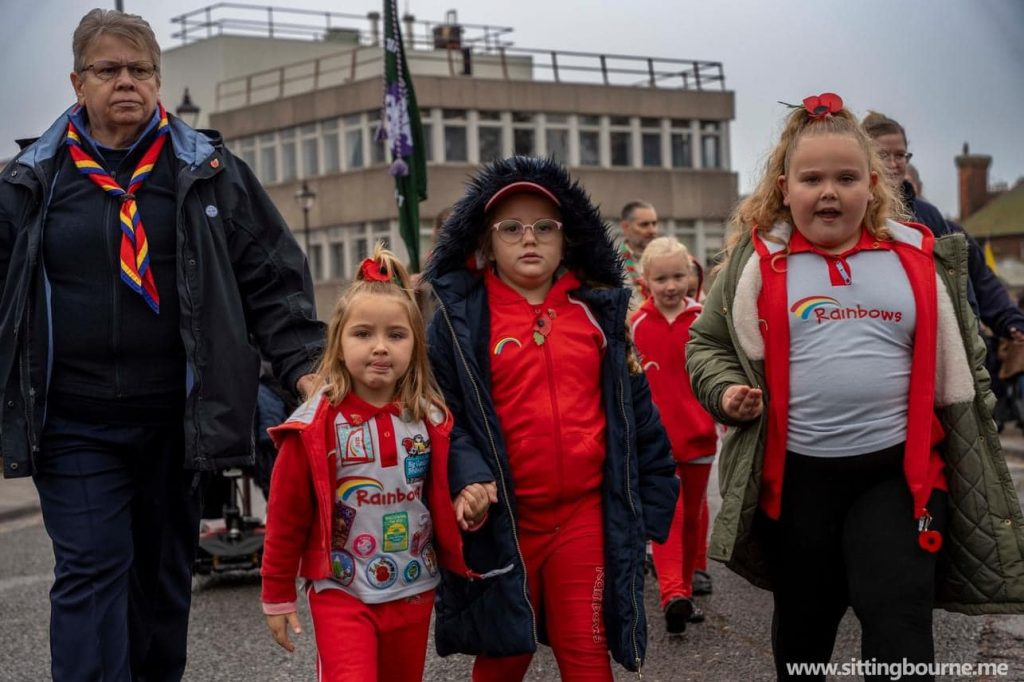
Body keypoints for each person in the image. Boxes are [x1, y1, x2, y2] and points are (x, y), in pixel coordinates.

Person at [0, 9, 324, 681]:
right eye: (108, 69)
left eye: (140, 70)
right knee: (92, 569)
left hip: (178, 422)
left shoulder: (207, 170)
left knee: (160, 578)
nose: (126, 82)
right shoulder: (30, 183)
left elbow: (270, 274)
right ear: (76, 81)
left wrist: (305, 369)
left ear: (158, 78)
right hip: (72, 422)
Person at [687, 93, 1024, 680]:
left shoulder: (918, 256)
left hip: (899, 476)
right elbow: (706, 345)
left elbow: (963, 362)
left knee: (898, 618)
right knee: (805, 629)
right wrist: (726, 391)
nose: (828, 192)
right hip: (795, 480)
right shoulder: (757, 260)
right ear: (784, 186)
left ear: (872, 184)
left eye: (845, 178)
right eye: (811, 178)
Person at [425, 156, 678, 679]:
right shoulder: (460, 322)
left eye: (545, 226)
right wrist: (467, 477)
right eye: (511, 228)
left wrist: (654, 498)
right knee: (506, 654)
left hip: (581, 518)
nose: (529, 238)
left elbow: (638, 416)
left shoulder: (597, 314)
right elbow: (443, 416)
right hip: (505, 522)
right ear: (486, 241)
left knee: (586, 653)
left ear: (568, 238)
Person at [260, 245, 486, 681]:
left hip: (414, 587)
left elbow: (441, 494)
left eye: (396, 336)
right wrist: (277, 593)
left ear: (415, 346)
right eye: (363, 334)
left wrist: (469, 505)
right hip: (341, 591)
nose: (380, 348)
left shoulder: (430, 417)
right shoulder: (314, 425)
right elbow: (285, 514)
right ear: (339, 345)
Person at [862, 111, 1024, 341]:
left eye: (900, 155)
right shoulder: (852, 217)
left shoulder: (929, 217)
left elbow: (971, 276)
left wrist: (1008, 320)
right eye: (882, 155)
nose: (893, 163)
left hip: (940, 338)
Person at [631, 237, 717, 633]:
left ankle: (690, 576)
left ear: (691, 274)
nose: (670, 285)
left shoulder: (704, 320)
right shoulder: (635, 325)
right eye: (661, 278)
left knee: (694, 512)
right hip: (655, 444)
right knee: (670, 514)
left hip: (698, 437)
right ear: (645, 281)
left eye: (678, 276)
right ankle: (674, 594)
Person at [619, 200, 660, 302]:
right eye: (644, 224)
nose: (652, 230)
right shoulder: (611, 263)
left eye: (654, 224)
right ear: (625, 227)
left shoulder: (669, 259)